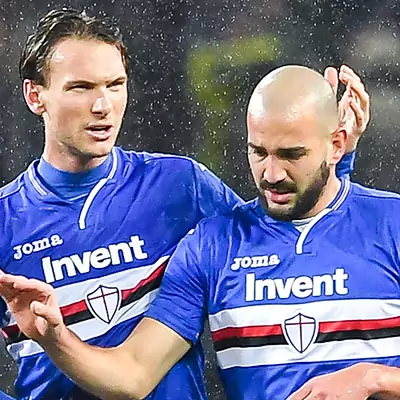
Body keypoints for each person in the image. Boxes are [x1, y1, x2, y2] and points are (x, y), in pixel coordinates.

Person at [0, 7, 368, 400]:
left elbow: (281, 244)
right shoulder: (6, 220)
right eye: (81, 88)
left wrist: (331, 159)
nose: (103, 105)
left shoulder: (177, 185)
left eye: (115, 84)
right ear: (35, 96)